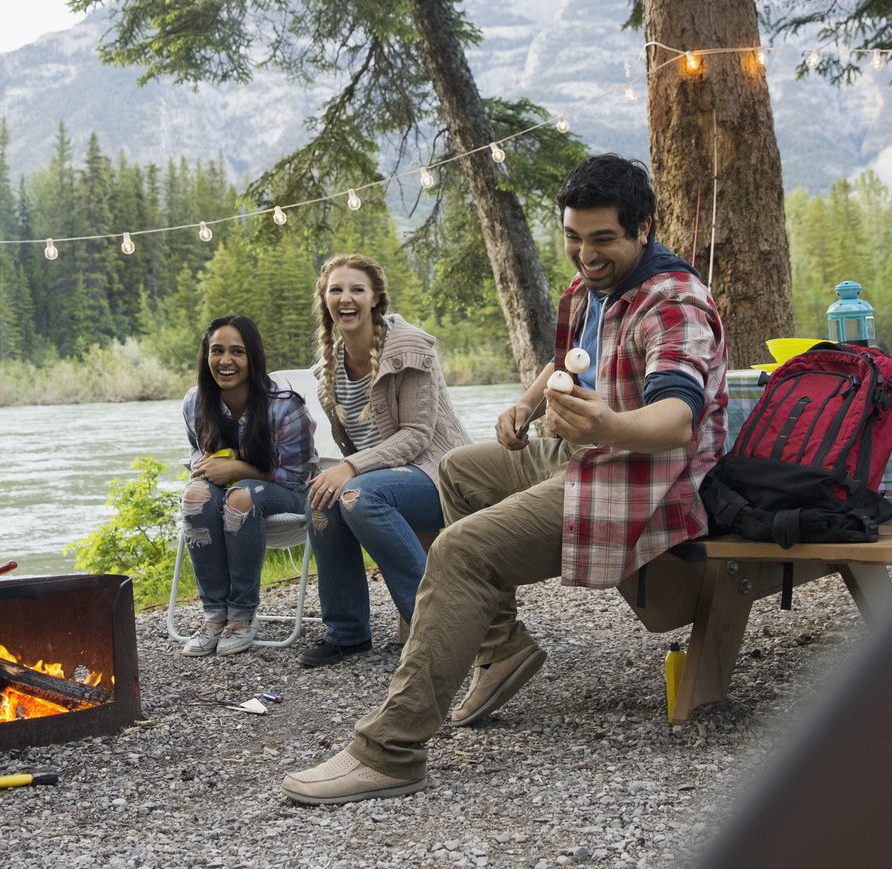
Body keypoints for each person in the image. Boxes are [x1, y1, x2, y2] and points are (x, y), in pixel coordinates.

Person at [282, 155, 729, 803]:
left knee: (461, 551)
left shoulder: (674, 302)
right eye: (574, 238)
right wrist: (527, 405)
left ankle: (391, 750)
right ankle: (501, 646)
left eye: (602, 238)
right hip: (578, 450)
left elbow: (675, 420)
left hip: (643, 476)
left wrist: (603, 421)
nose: (585, 254)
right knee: (459, 471)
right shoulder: (587, 291)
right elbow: (563, 363)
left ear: (643, 229)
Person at [301, 255, 469, 668]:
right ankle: (347, 632)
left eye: (357, 289)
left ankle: (437, 628)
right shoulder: (328, 370)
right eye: (336, 290)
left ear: (375, 298)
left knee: (357, 495)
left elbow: (416, 435)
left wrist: (352, 467)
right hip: (383, 477)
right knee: (321, 498)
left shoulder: (408, 349)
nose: (346, 298)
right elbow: (351, 446)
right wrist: (345, 471)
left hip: (439, 471)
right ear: (325, 300)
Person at [179, 315, 316, 657]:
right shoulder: (195, 403)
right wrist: (211, 470)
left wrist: (239, 468)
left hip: (290, 494)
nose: (225, 361)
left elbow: (297, 477)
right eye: (217, 351)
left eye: (237, 352)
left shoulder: (285, 405)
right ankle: (214, 616)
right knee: (195, 495)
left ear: (252, 357)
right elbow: (200, 463)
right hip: (226, 495)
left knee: (241, 497)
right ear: (206, 356)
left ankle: (241, 615)